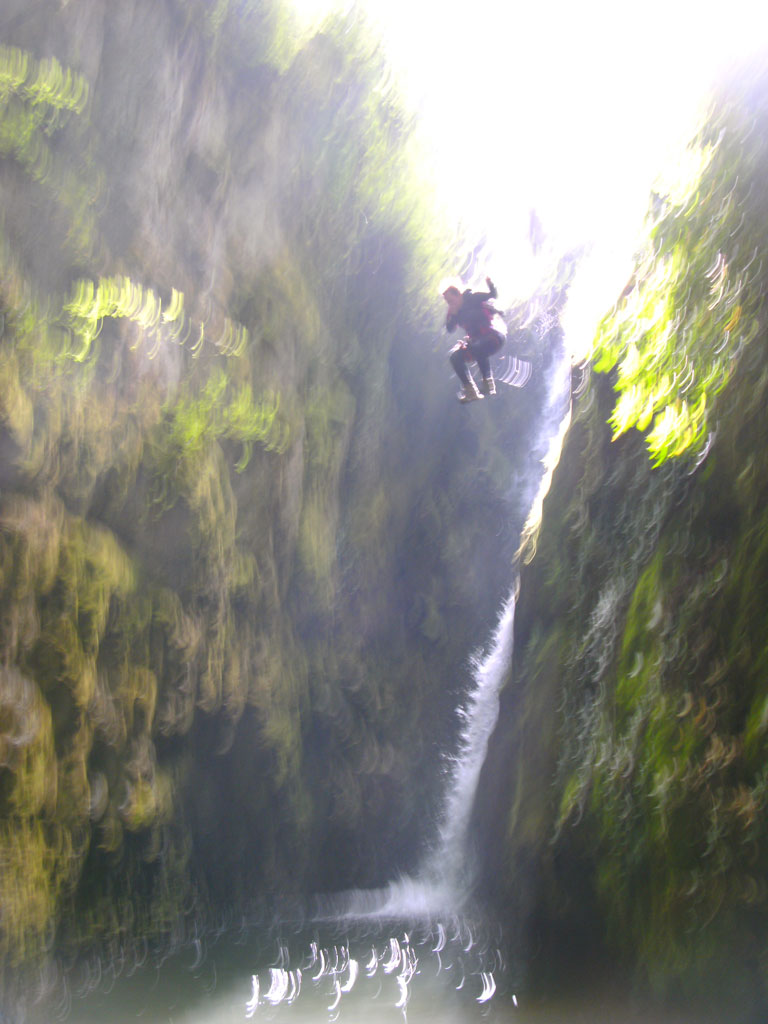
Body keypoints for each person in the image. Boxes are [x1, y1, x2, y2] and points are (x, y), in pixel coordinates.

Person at [442, 277, 505, 403]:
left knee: (476, 346)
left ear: (458, 295)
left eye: (451, 300)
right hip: (477, 343)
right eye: (448, 302)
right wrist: (453, 315)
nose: (450, 304)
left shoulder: (472, 298)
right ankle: (471, 391)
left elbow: (493, 295)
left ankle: (488, 383)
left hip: (495, 337)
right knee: (455, 357)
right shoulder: (454, 312)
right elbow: (449, 329)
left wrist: (491, 284)